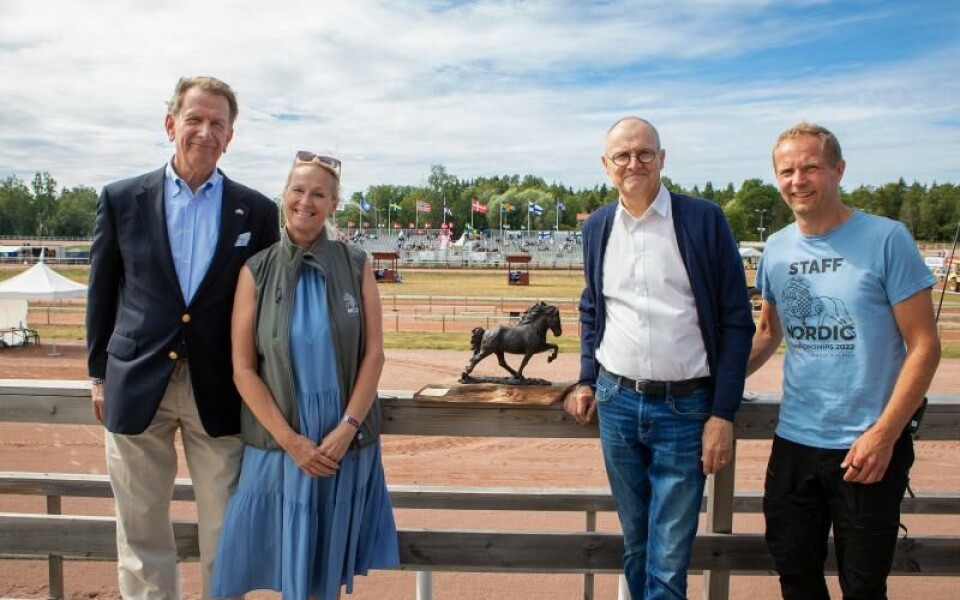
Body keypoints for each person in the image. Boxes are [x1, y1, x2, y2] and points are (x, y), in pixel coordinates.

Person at [86, 76, 280, 599]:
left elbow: (266, 308)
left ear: (230, 137)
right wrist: (98, 375)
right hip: (135, 380)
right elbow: (102, 293)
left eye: (218, 123)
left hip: (220, 387)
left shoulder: (257, 211)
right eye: (195, 119)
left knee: (226, 526)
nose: (205, 132)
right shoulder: (121, 198)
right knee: (140, 527)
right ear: (170, 124)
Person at [748, 122, 941, 599]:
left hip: (866, 447)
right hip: (795, 443)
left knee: (863, 588)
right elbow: (768, 332)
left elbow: (924, 345)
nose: (798, 180)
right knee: (796, 580)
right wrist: (711, 384)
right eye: (787, 171)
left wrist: (884, 434)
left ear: (838, 170)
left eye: (811, 167)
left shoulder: (887, 238)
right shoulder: (777, 248)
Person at [564, 117, 755, 599]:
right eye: (622, 155)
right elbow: (593, 307)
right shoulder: (598, 226)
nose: (634, 163)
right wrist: (586, 378)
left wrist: (723, 413)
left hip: (686, 409)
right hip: (616, 401)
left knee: (668, 561)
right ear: (606, 165)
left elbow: (737, 321)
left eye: (645, 153)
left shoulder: (704, 219)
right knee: (636, 546)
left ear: (662, 159)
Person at [212, 151, 399, 599]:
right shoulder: (256, 270)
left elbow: (374, 354)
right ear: (284, 195)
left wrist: (346, 429)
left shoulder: (356, 264)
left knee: (324, 568)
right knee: (272, 556)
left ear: (334, 204)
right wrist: (291, 441)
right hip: (281, 441)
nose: (306, 201)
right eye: (298, 190)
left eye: (319, 194)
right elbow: (243, 369)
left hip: (343, 440)